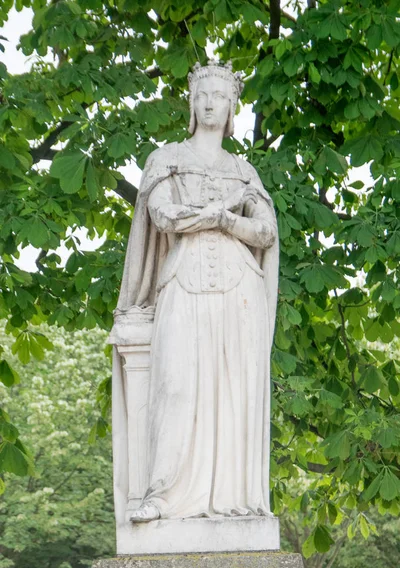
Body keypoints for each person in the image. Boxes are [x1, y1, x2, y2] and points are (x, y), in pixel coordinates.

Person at [114, 59, 279, 522]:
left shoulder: (244, 171)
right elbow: (162, 216)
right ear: (191, 102)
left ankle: (232, 498)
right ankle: (161, 496)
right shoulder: (165, 159)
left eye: (220, 97)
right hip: (182, 282)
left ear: (232, 108)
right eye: (202, 95)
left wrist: (227, 219)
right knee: (176, 386)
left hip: (239, 287)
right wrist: (214, 214)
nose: (210, 103)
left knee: (232, 392)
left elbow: (265, 232)